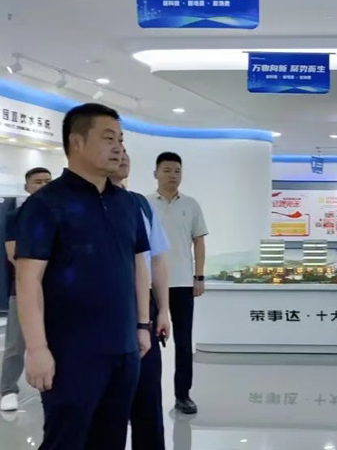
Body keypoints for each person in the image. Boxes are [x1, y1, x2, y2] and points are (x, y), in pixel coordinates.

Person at [15, 103, 152, 450]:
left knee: (111, 439)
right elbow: (28, 279)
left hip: (123, 349)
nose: (118, 147)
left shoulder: (127, 204)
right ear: (77, 142)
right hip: (69, 353)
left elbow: (138, 265)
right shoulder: (46, 204)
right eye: (108, 138)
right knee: (66, 440)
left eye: (120, 139)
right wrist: (37, 348)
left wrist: (142, 324)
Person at [110, 147, 172, 450]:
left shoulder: (141, 205)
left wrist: (163, 309)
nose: (122, 156)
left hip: (143, 306)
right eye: (112, 146)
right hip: (105, 308)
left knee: (147, 398)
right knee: (109, 406)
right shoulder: (82, 205)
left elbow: (157, 260)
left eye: (124, 150)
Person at [148, 152, 208, 415]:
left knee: (183, 343)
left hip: (183, 282)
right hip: (150, 285)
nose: (173, 175)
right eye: (167, 170)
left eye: (177, 171)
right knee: (148, 343)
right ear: (156, 173)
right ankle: (147, 398)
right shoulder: (144, 204)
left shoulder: (191, 205)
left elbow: (199, 242)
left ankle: (183, 395)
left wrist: (199, 276)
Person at [0, 167, 52, 412]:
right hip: (23, 288)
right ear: (27, 187)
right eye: (37, 182)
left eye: (47, 181)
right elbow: (13, 254)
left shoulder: (61, 212)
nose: (43, 186)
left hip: (58, 289)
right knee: (16, 343)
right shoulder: (16, 216)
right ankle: (7, 389)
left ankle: (52, 385)